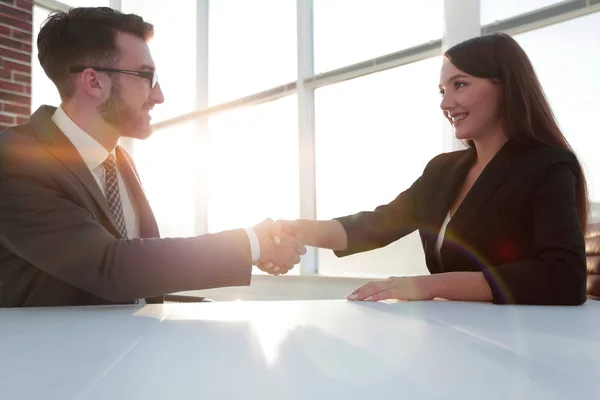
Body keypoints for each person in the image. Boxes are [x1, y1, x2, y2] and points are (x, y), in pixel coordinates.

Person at [0, 7, 305, 307]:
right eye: (147, 76)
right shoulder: (15, 160)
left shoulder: (118, 161)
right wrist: (251, 244)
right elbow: (111, 268)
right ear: (93, 82)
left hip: (128, 348)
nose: (159, 96)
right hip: (52, 355)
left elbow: (135, 276)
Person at [262, 32, 589, 306]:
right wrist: (295, 229)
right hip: (456, 334)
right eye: (443, 91)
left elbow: (564, 277)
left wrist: (428, 286)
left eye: (460, 85)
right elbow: (379, 224)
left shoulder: (548, 165)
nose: (446, 104)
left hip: (526, 344)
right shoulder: (444, 169)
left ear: (505, 86)